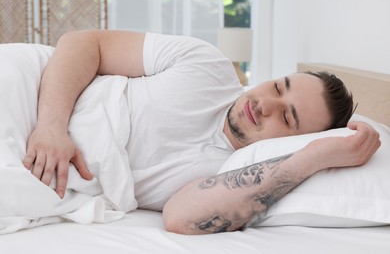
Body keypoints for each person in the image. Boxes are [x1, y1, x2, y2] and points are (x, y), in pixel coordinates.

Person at [21, 30, 380, 235]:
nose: (265, 103)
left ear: (293, 141)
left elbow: (180, 218)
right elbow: (84, 42)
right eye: (278, 85)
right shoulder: (205, 64)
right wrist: (51, 126)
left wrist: (313, 157)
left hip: (36, 167)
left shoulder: (232, 173)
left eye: (287, 118)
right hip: (32, 99)